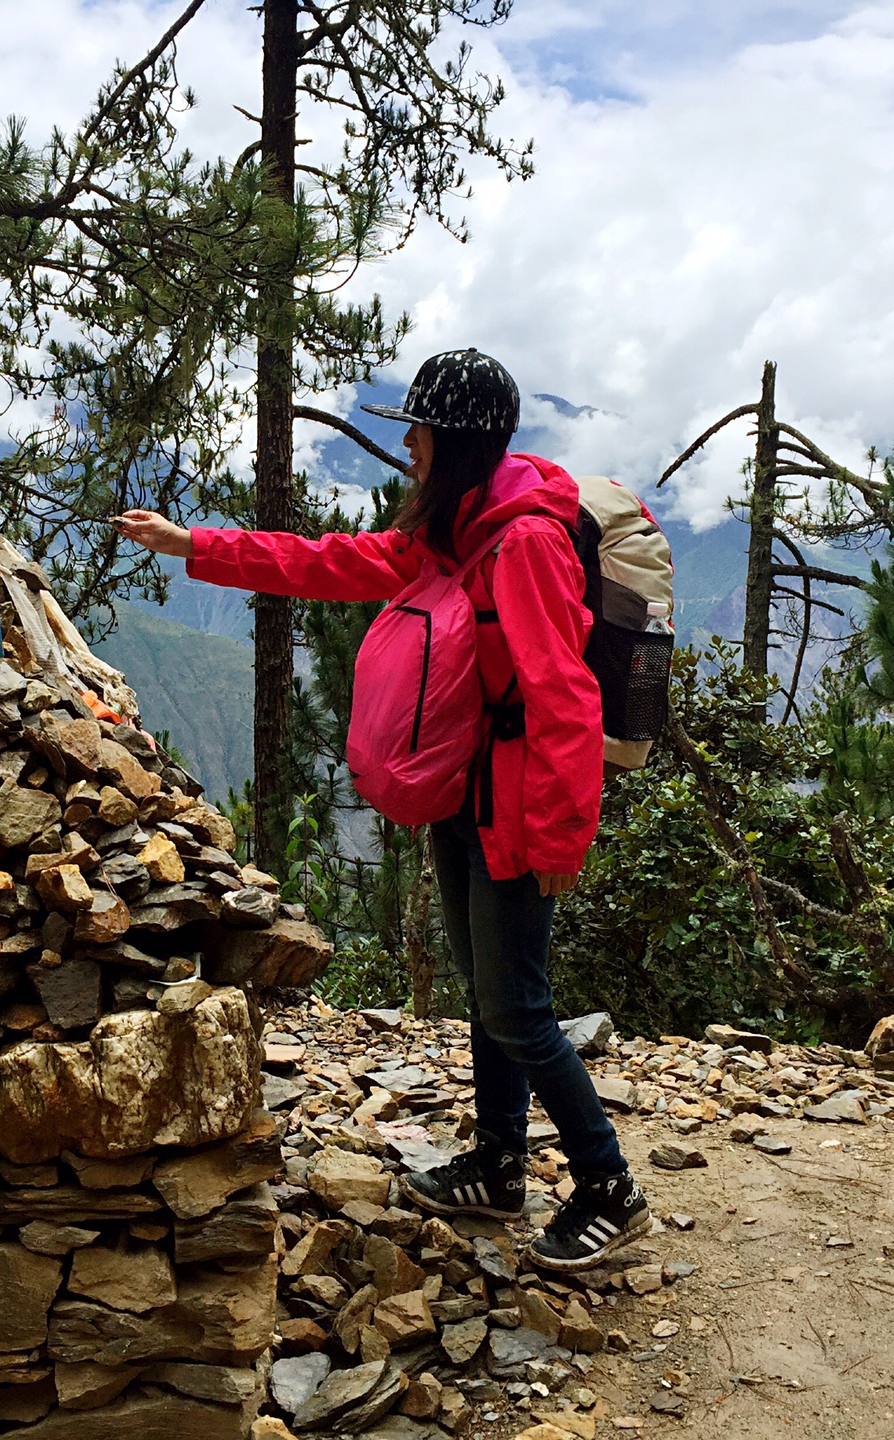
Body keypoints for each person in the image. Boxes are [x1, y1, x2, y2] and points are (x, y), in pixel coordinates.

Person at [114, 348, 650, 1272]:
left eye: (420, 429)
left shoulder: (520, 542)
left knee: (518, 1007)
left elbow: (565, 697)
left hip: (518, 807)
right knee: (488, 990)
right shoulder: (459, 528)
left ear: (458, 441)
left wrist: (565, 833)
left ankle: (609, 1187)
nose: (407, 442)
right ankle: (499, 1161)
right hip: (468, 795)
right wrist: (194, 544)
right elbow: (333, 562)